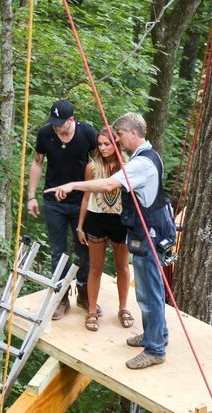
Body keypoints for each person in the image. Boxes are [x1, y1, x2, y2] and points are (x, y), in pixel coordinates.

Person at [44, 112, 176, 370]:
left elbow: (107, 186)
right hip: (151, 230)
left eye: (120, 135)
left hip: (150, 235)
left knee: (149, 294)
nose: (118, 140)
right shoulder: (149, 155)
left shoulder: (141, 163)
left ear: (133, 133)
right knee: (152, 290)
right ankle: (156, 335)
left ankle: (155, 349)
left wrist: (72, 185)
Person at [27, 100, 97, 320]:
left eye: (61, 123)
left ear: (71, 120)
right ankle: (61, 298)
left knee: (84, 250)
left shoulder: (87, 133)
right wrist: (31, 196)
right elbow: (37, 163)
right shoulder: (45, 134)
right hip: (53, 202)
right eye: (54, 122)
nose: (57, 127)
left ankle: (84, 294)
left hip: (81, 202)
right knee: (59, 251)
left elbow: (98, 163)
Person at [77, 128, 131, 332]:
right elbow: (85, 197)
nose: (103, 148)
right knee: (95, 267)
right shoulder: (92, 167)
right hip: (96, 219)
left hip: (120, 220)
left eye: (107, 143)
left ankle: (123, 308)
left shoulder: (127, 167)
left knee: (122, 266)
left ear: (117, 143)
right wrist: (80, 226)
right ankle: (91, 310)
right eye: (100, 144)